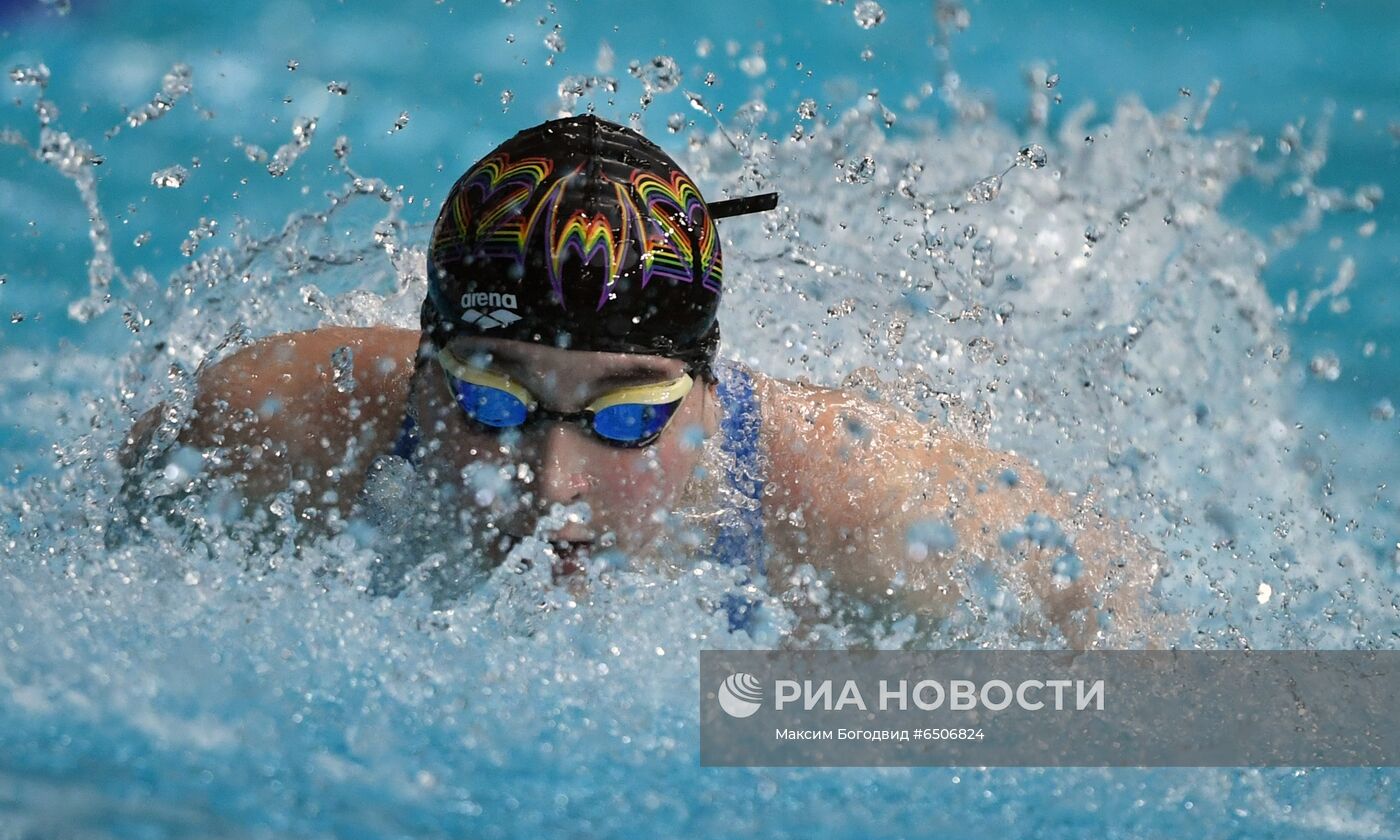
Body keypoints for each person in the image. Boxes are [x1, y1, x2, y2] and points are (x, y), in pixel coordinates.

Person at [123, 115, 1158, 646]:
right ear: (426, 364)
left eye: (622, 418)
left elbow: (1127, 626)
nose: (548, 483)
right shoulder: (275, 421)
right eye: (490, 401)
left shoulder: (869, 506)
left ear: (701, 394)